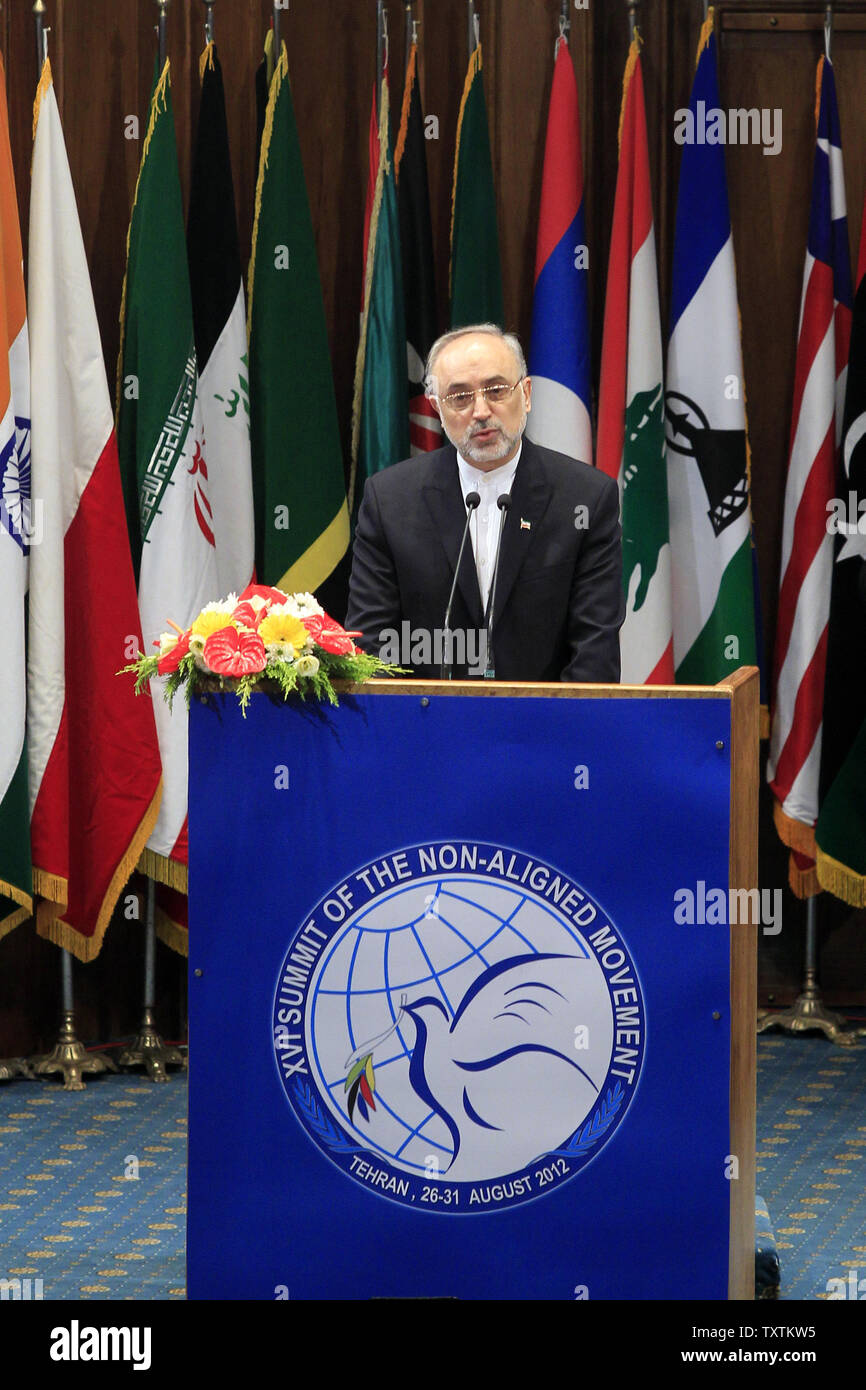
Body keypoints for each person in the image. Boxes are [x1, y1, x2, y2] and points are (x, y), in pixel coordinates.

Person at [346, 324, 625, 681]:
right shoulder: (389, 501)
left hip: (544, 729)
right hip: (426, 728)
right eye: (459, 397)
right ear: (436, 408)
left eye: (495, 390)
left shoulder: (585, 498)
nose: (480, 411)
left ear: (525, 394)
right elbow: (371, 648)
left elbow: (594, 652)